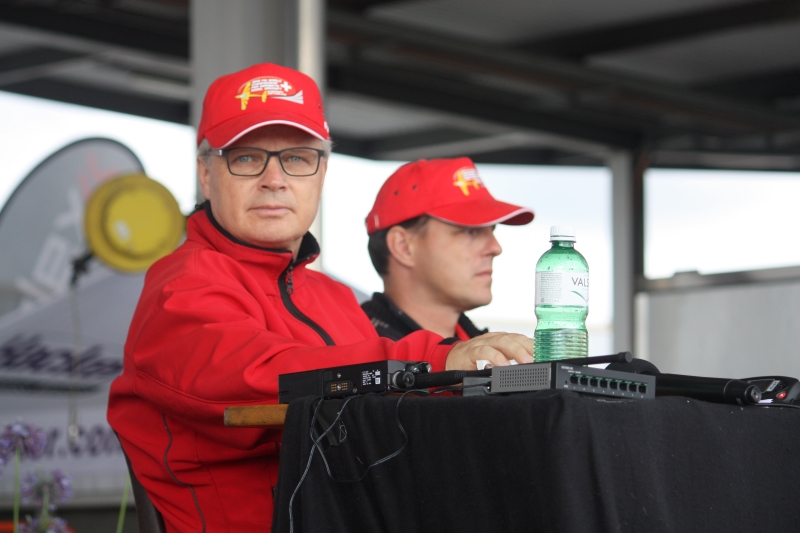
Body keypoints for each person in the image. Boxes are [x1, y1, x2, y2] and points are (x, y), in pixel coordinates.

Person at [106, 63, 533, 532]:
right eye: (246, 158)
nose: (275, 179)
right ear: (206, 174)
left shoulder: (332, 296)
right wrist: (435, 360)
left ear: (321, 173)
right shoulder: (180, 286)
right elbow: (261, 376)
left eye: (297, 158)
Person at [362, 158, 534, 340]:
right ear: (403, 247)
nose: (495, 248)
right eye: (470, 231)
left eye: (492, 230)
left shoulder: (483, 347)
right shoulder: (357, 349)